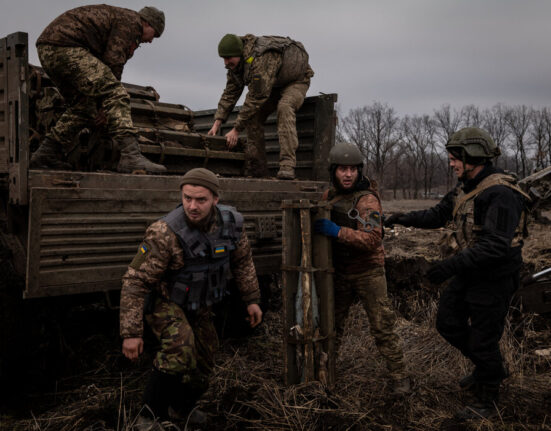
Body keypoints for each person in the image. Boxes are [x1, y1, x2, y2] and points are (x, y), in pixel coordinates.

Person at [384, 127, 530, 419]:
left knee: (483, 340)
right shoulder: (466, 187)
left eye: (455, 158)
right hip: (471, 272)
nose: (451, 164)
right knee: (448, 322)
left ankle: (486, 400)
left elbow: (494, 247)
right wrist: (400, 218)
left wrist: (448, 267)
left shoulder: (501, 194)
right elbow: (437, 215)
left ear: (473, 157)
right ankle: (490, 369)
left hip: (494, 278)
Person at [119, 168, 263, 423]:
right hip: (165, 302)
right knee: (180, 346)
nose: (192, 206)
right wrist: (131, 333)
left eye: (201, 200)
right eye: (187, 198)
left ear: (216, 199)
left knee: (205, 357)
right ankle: (149, 417)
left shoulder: (231, 225)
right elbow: (135, 281)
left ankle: (181, 408)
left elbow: (243, 262)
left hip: (199, 303)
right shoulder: (164, 232)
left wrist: (252, 299)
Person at [313, 142, 411, 394]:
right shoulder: (328, 197)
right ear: (333, 171)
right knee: (331, 326)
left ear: (359, 171)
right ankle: (326, 375)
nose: (348, 174)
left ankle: (400, 377)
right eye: (342, 169)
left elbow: (372, 239)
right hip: (340, 270)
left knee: (382, 326)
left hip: (368, 270)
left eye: (353, 169)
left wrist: (336, 232)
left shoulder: (367, 199)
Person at [31, 4, 167, 174]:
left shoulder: (123, 21)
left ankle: (45, 154)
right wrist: (106, 103)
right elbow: (113, 62)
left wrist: (100, 104)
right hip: (65, 47)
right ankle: (131, 156)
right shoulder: (131, 23)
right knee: (116, 94)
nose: (151, 40)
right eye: (155, 34)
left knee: (83, 107)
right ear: (147, 23)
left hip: (49, 50)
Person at [208, 33, 314, 180]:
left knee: (284, 107)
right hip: (273, 84)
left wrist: (236, 130)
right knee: (254, 117)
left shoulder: (260, 59)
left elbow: (256, 97)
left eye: (228, 58)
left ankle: (287, 165)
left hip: (296, 81)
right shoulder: (236, 67)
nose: (225, 63)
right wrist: (217, 123)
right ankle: (258, 168)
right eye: (223, 59)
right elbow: (230, 93)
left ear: (239, 53)